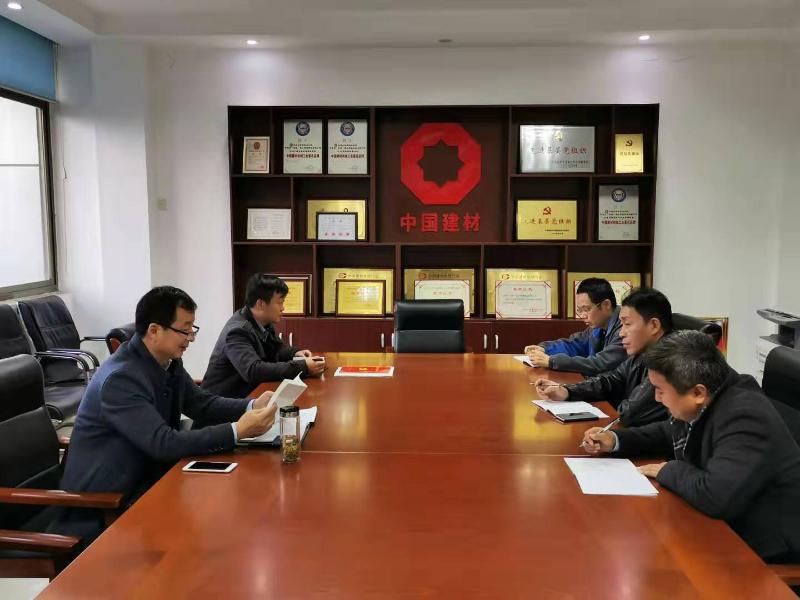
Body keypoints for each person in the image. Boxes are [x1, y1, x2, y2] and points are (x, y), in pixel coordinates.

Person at [56, 286, 277, 543]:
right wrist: (237, 431)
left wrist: (251, 406)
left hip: (151, 479)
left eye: (192, 329)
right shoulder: (120, 379)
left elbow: (200, 403)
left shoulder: (166, 361)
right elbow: (163, 443)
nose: (191, 338)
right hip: (107, 504)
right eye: (185, 330)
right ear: (154, 331)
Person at [581, 330, 800, 562]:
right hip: (727, 525)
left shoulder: (745, 415)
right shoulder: (714, 392)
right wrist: (616, 439)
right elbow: (669, 431)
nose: (656, 398)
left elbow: (716, 496)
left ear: (698, 393)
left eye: (660, 390)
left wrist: (669, 469)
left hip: (765, 547)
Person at [535, 287, 672, 426]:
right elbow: (610, 381)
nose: (621, 333)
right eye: (621, 325)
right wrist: (566, 391)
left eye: (627, 324)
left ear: (654, 325)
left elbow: (629, 414)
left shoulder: (668, 362)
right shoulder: (643, 353)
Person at [202, 274, 324, 398]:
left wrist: (295, 353)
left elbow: (277, 348)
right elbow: (253, 371)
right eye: (280, 302)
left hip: (252, 395)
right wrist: (303, 367)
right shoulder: (237, 331)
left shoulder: (263, 322)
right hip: (222, 404)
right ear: (260, 304)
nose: (283, 308)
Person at [524, 278, 625, 375]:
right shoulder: (598, 325)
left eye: (587, 309)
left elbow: (599, 363)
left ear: (606, 305)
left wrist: (552, 361)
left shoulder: (624, 328)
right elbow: (574, 344)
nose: (583, 315)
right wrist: (545, 349)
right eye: (580, 310)